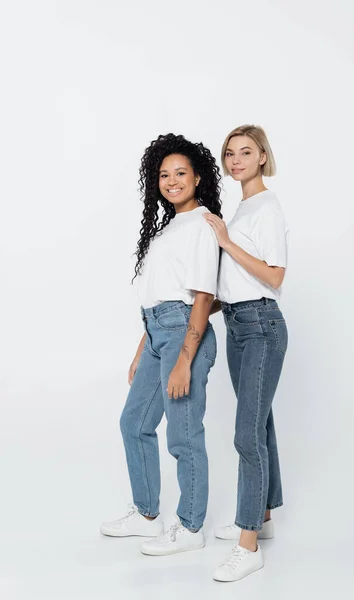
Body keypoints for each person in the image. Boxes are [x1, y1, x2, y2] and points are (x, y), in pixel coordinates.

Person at [100, 133, 221, 556]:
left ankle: (190, 527)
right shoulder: (170, 227)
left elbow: (203, 296)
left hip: (184, 334)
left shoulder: (203, 224)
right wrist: (142, 349)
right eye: (164, 175)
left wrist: (185, 358)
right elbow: (157, 293)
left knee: (184, 435)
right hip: (156, 332)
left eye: (180, 173)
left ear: (198, 177)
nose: (171, 181)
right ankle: (148, 516)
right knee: (134, 423)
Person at [204, 124, 289, 581]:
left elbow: (274, 276)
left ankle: (247, 542)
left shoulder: (266, 208)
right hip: (238, 322)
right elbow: (236, 278)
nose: (235, 160)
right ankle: (265, 517)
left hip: (260, 325)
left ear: (262, 157)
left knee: (247, 434)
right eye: (229, 153)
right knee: (261, 422)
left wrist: (225, 242)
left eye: (245, 152)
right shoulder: (245, 207)